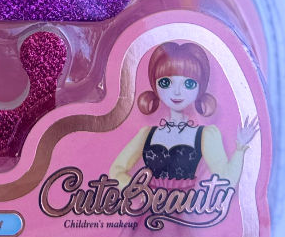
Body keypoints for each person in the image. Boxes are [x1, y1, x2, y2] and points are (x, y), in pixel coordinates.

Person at [109, 41, 258, 189]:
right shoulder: (147, 134)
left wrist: (240, 148)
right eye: (166, 83)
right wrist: (140, 191)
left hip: (187, 202)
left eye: (189, 84)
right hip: (151, 203)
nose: (177, 92)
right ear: (155, 85)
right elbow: (116, 171)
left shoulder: (205, 135)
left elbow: (226, 179)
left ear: (200, 87)